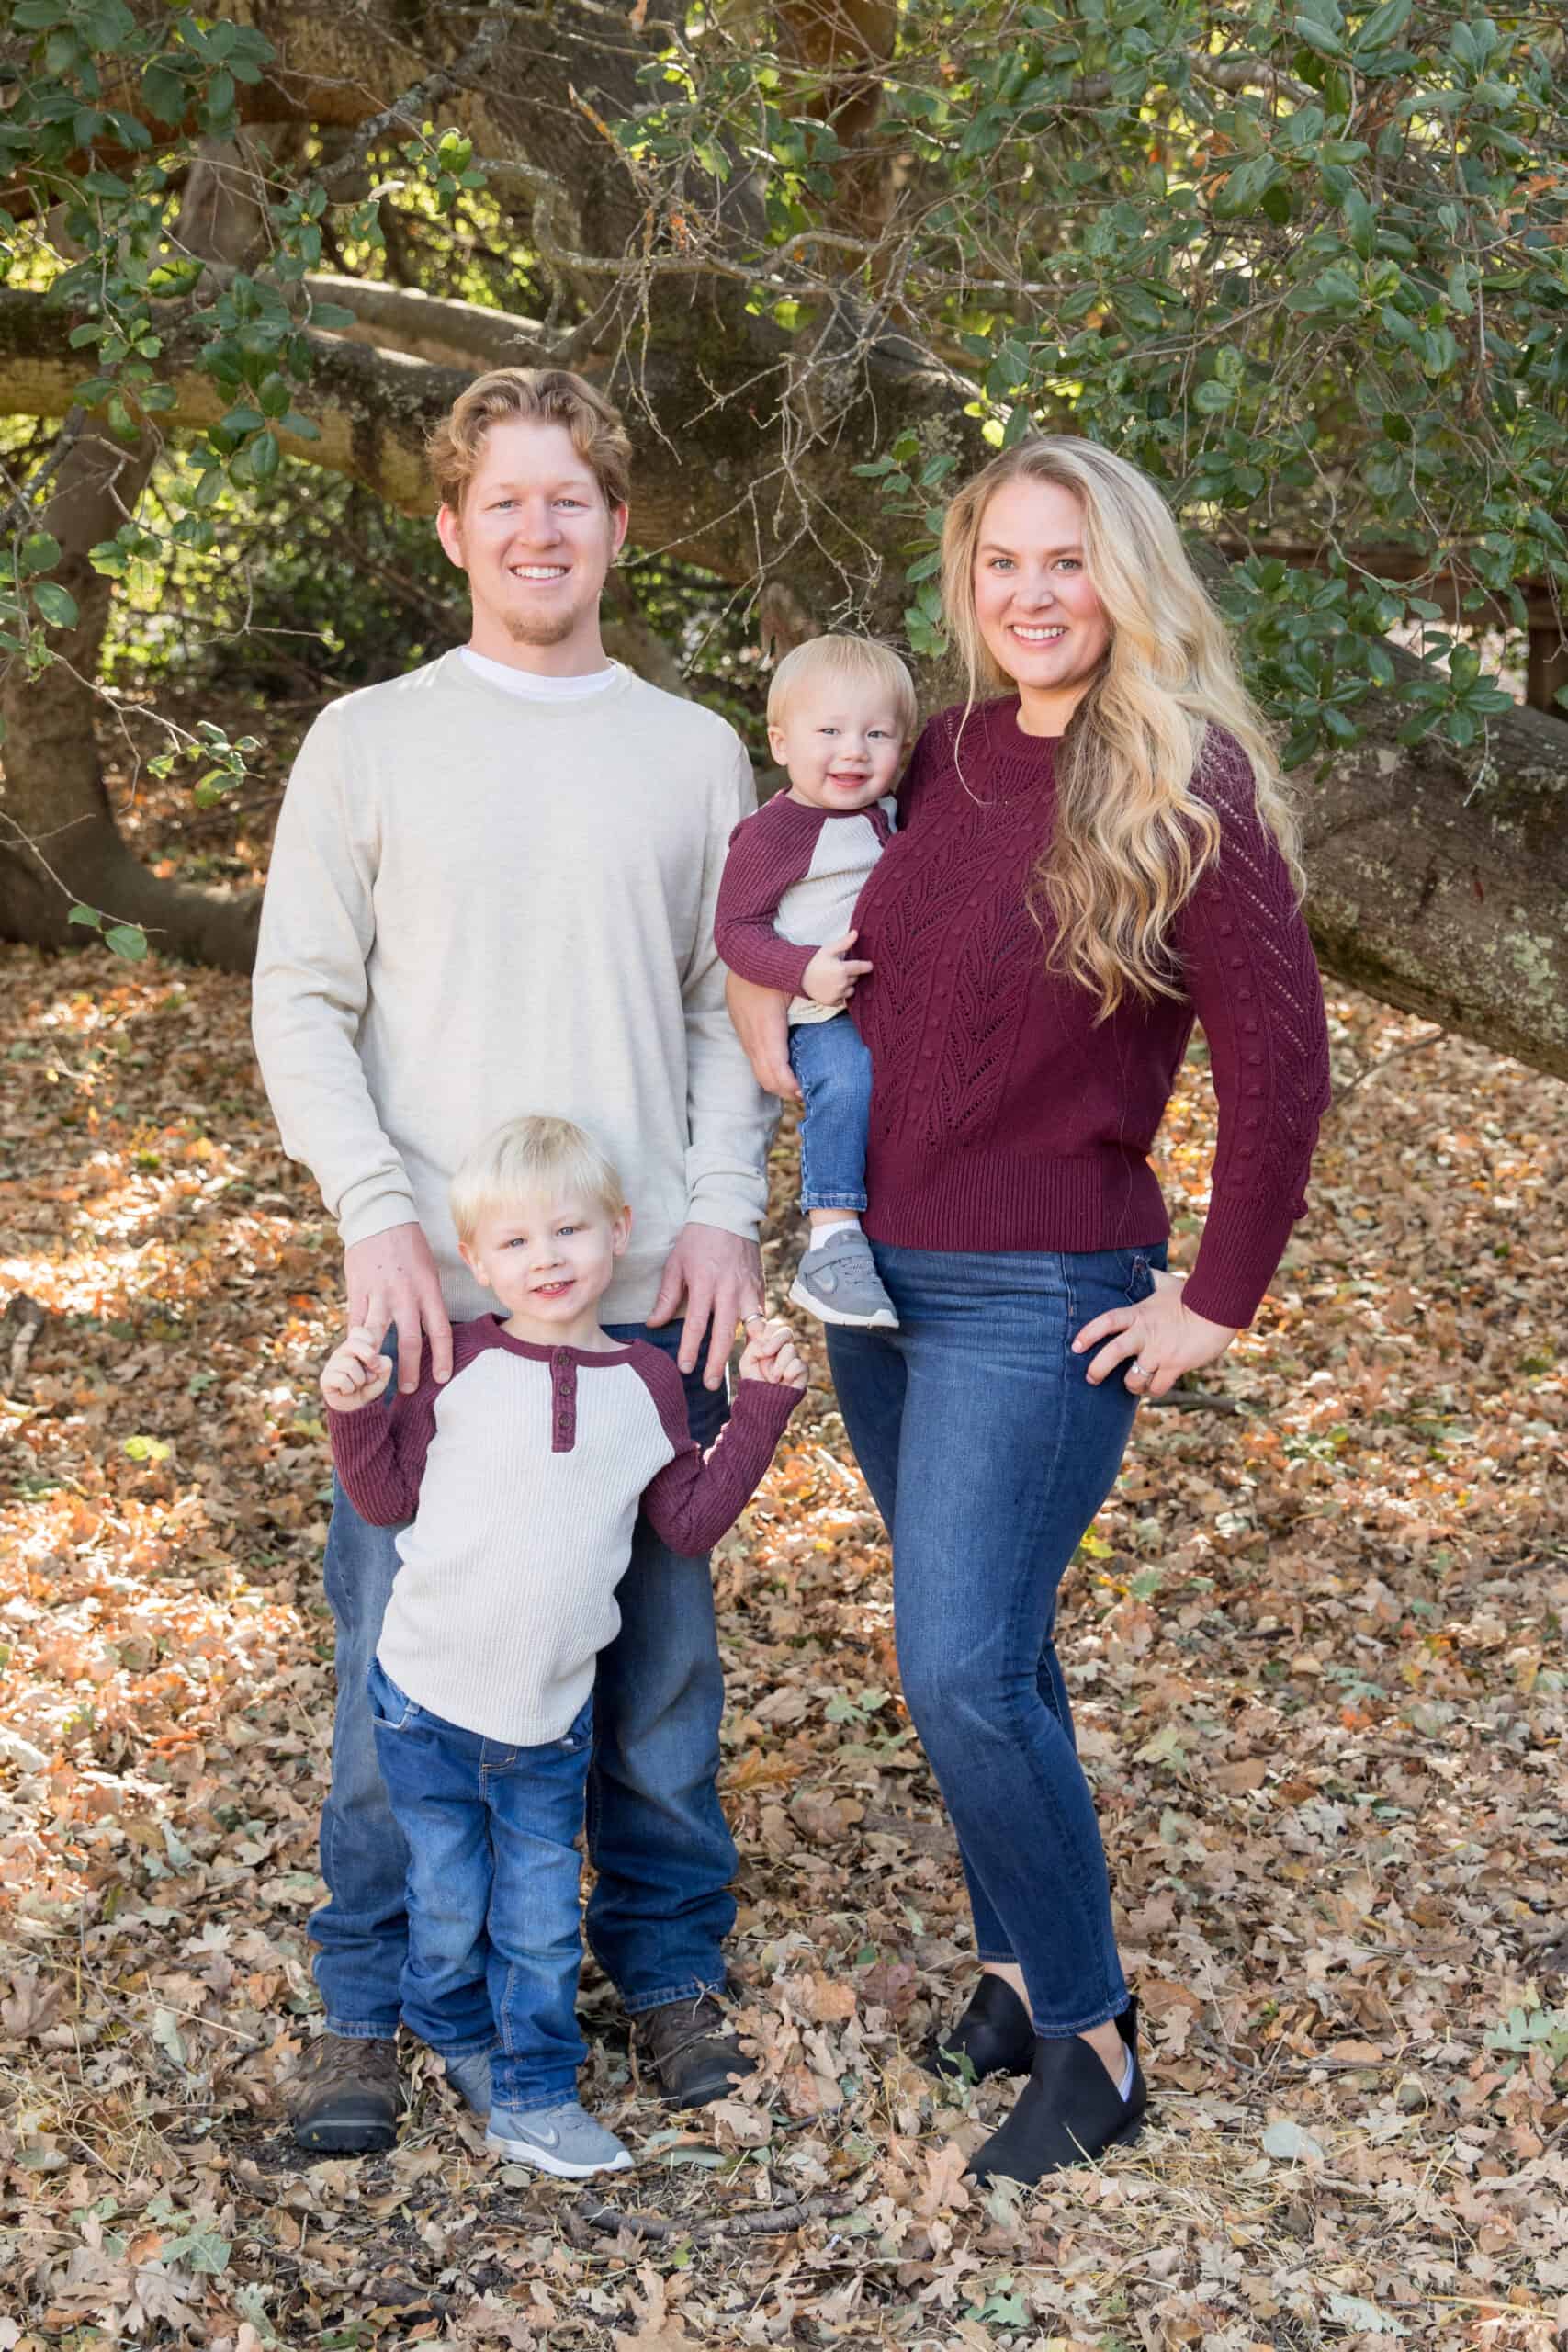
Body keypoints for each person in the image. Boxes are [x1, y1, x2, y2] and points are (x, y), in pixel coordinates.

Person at [726, 435, 1332, 2186]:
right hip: (876, 1282)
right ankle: (1008, 1970)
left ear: (1123, 575)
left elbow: (1278, 1066)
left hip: (1042, 1292)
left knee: (960, 1669)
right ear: (965, 583)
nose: (1031, 593)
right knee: (995, 1649)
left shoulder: (1181, 780)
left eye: (1064, 560)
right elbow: (823, 938)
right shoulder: (942, 753)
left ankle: (1091, 2036)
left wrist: (1216, 1299)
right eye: (1000, 562)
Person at [252, 366, 784, 2154]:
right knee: (396, 1661)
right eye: (506, 500)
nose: (539, 529)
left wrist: (723, 1202)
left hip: (647, 1300)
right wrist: (369, 1209)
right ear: (451, 526)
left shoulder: (694, 751)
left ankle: (662, 1960)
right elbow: (301, 1001)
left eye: (572, 499)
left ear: (620, 526)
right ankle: (365, 1995)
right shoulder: (370, 740)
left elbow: (735, 1010)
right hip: (438, 1304)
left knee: (652, 1667)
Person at [320, 1116, 805, 2178]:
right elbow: (386, 1498)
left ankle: (534, 2093)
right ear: (474, 1259)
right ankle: (449, 2027)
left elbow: (686, 1521)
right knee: (448, 1909)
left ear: (621, 1231)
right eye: (514, 1243)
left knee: (538, 1922)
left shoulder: (646, 1384)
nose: (546, 1259)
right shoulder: (457, 1370)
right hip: (424, 1705)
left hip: (547, 1723)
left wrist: (762, 1405)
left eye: (570, 1231)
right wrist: (353, 1411)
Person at [715, 636, 917, 1332]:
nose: (852, 751)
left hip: (895, 1012)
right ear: (780, 741)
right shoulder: (776, 832)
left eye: (876, 734)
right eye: (827, 732)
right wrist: (803, 970)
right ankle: (830, 1241)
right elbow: (735, 931)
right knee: (848, 1084)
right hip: (822, 1011)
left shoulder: (889, 815)